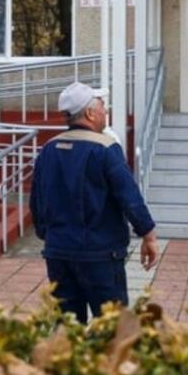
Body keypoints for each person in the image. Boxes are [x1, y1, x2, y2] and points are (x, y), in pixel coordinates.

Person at [30, 81, 160, 323]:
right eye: (102, 107)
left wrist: (50, 236)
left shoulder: (48, 148)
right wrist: (148, 235)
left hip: (58, 253)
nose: (105, 112)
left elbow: (36, 201)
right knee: (112, 326)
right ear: (90, 113)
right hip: (100, 255)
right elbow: (129, 196)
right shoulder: (105, 148)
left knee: (67, 329)